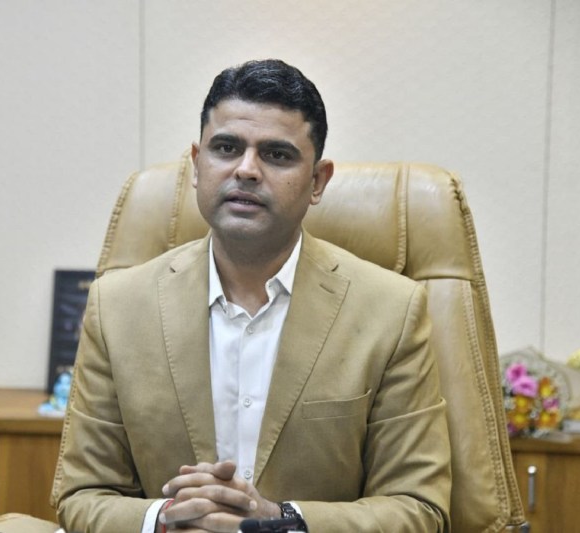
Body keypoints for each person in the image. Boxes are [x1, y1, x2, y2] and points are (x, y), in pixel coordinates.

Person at [51, 59, 451, 532]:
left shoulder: (392, 310)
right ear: (197, 163)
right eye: (226, 148)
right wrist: (168, 521)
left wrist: (278, 523)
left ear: (318, 181)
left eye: (277, 155)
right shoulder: (117, 307)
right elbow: (81, 495)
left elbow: (419, 507)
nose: (246, 170)